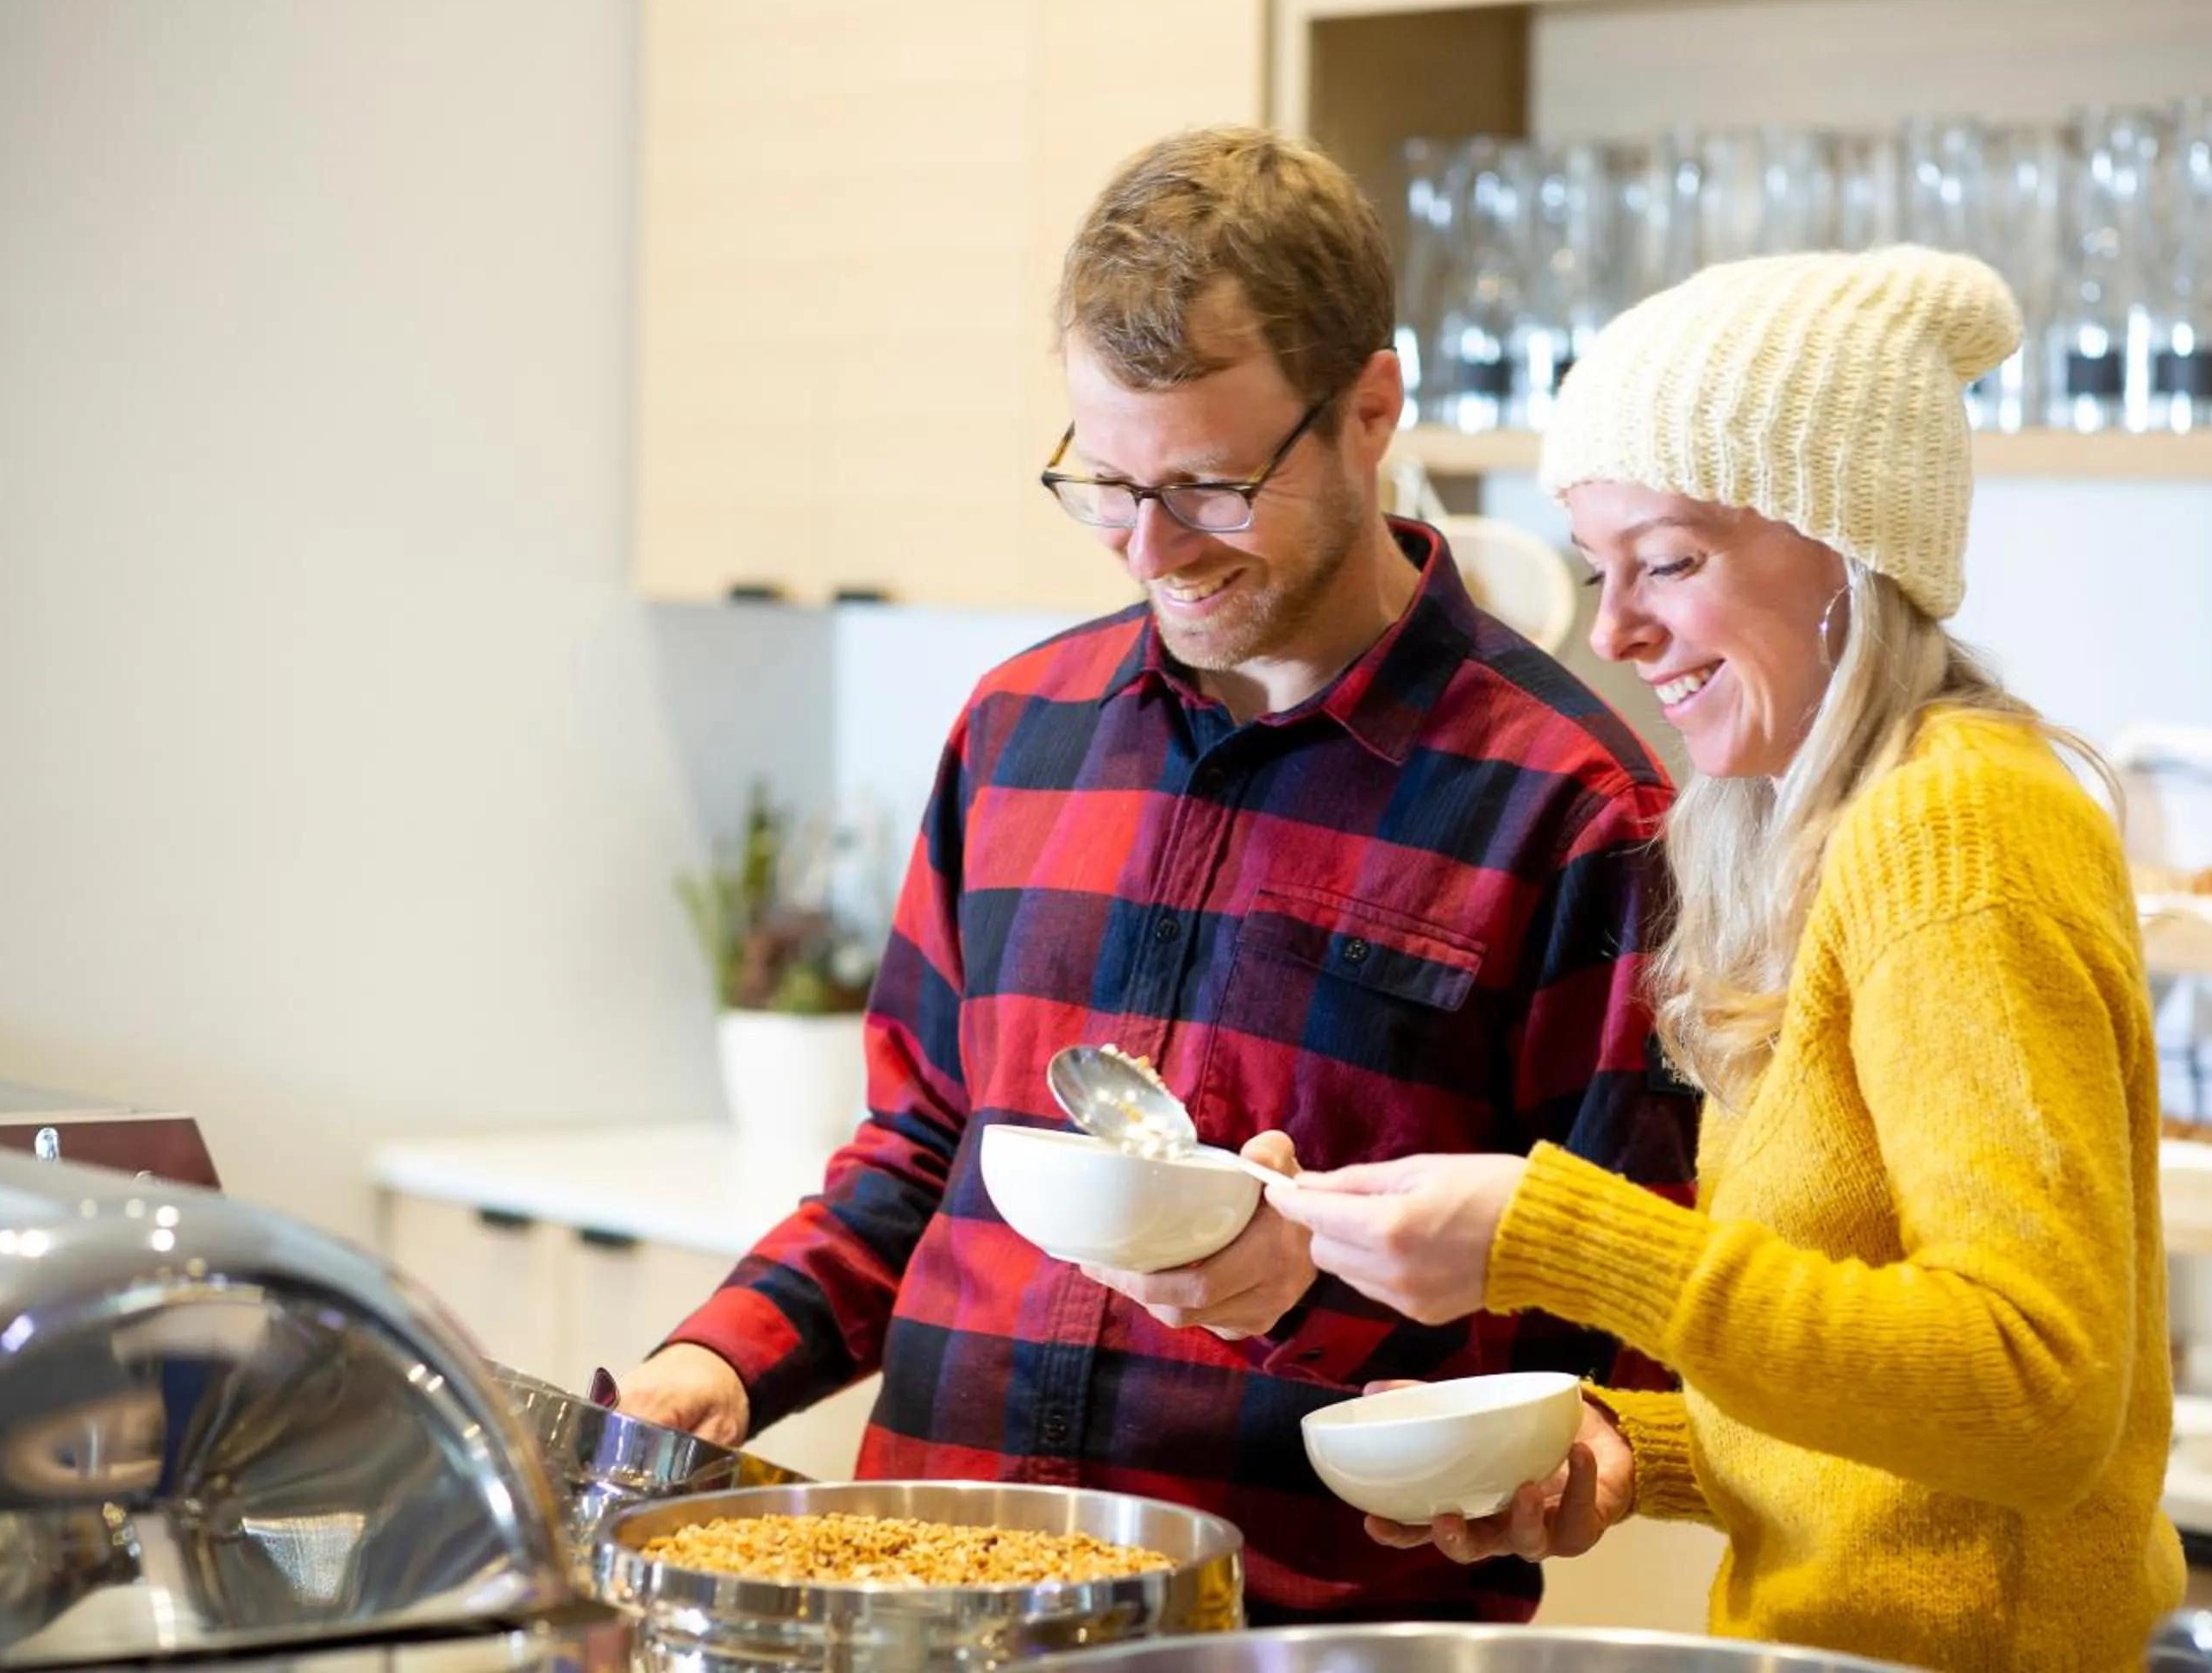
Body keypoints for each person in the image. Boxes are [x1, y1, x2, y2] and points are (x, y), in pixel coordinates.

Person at [617, 124, 1699, 1624]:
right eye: (1106, 485)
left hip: (1281, 1634)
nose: (1149, 551)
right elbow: (920, 1156)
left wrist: (1308, 1299)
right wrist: (720, 1361)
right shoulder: (1016, 732)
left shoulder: (1575, 809)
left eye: (1207, 487)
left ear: (1370, 410)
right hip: (934, 1602)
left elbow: (1611, 1354)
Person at [1266, 245, 2185, 1670]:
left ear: (1849, 541)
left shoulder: (1959, 830)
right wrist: (1625, 1451)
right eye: (1598, 570)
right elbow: (1897, 1435)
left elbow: (2034, 1396)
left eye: (1671, 562)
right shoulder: (1824, 828)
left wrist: (1552, 1236)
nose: (1617, 631)